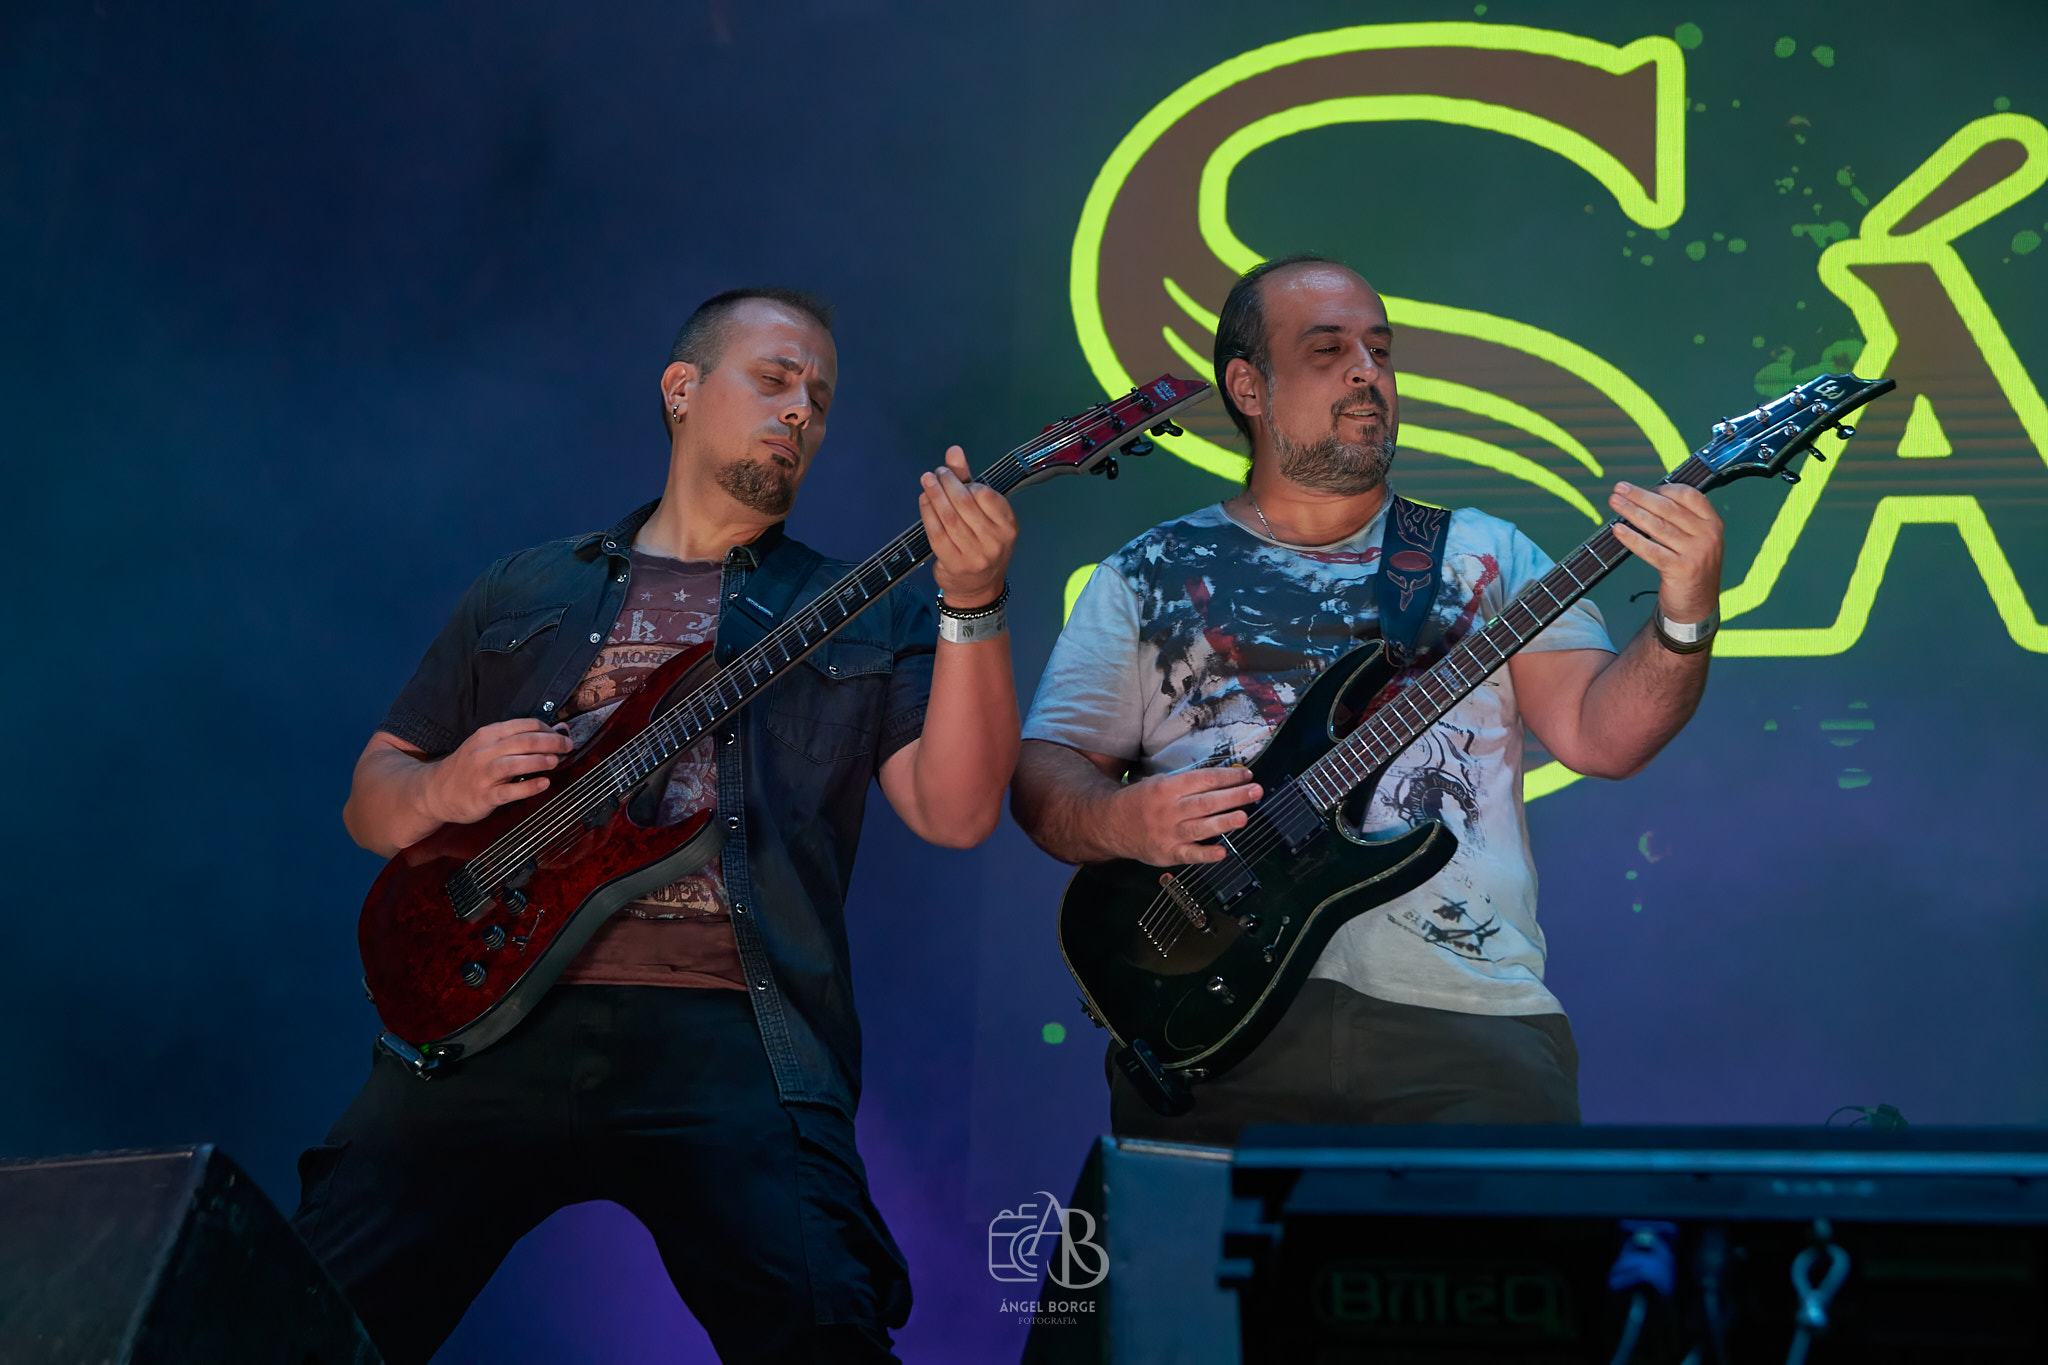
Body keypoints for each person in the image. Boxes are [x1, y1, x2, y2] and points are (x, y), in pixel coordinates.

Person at [295, 288, 1021, 1363]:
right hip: (484, 1018)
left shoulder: (868, 606)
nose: (800, 411)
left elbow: (956, 813)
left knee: (825, 1333)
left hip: (733, 1034)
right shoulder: (526, 587)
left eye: (819, 399)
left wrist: (975, 601)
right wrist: (443, 786)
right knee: (290, 1322)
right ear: (682, 389)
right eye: (773, 380)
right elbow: (372, 797)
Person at [1009, 257, 1724, 1144]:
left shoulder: (1489, 555)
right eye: (1329, 350)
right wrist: (1122, 820)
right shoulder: (1148, 571)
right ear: (1249, 387)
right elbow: (1044, 774)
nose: (1366, 371)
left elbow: (1603, 738)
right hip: (1215, 1024)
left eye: (1380, 351)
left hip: (1469, 1026)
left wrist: (1686, 614)